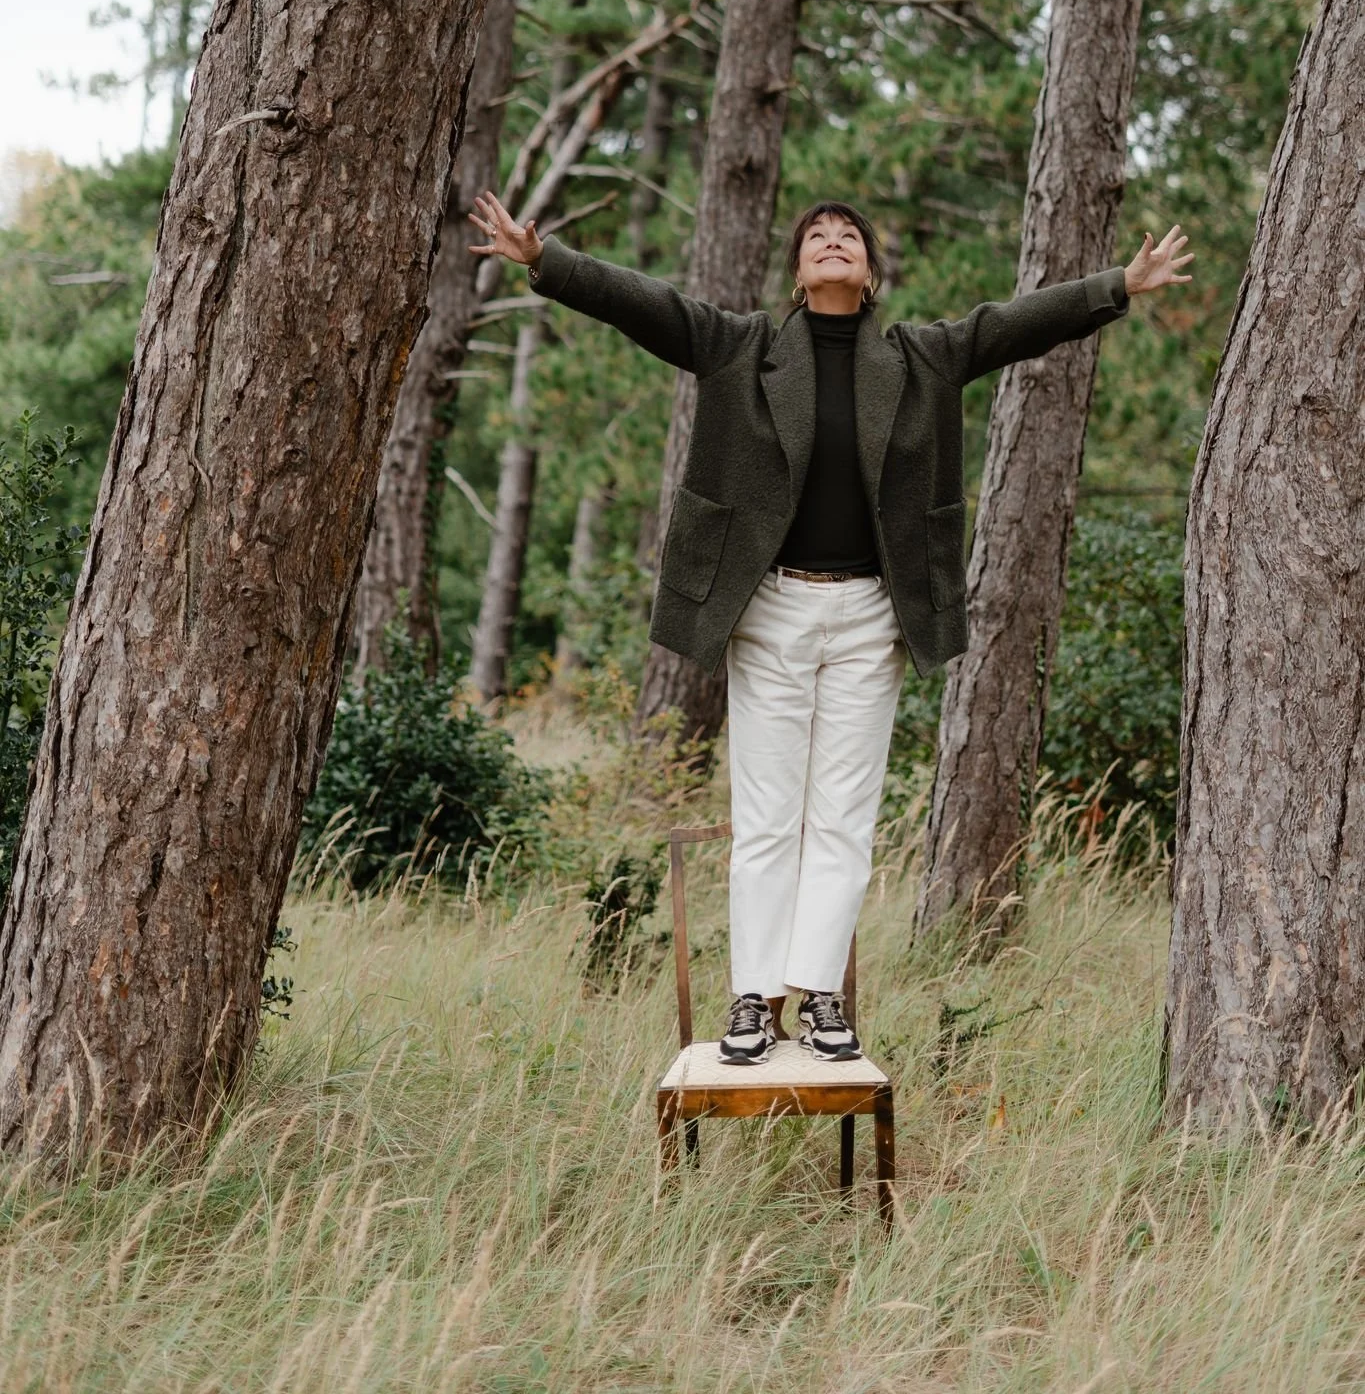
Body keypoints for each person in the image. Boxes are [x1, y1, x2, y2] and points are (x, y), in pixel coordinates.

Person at [469, 191, 1191, 1064]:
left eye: (848, 236)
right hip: (768, 609)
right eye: (817, 236)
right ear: (799, 269)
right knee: (769, 819)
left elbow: (1012, 325)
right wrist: (545, 262)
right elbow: (648, 305)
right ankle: (752, 1001)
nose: (832, 243)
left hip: (866, 615)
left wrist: (1118, 282)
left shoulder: (919, 356)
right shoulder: (741, 346)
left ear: (870, 268)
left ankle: (818, 1000)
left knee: (842, 820)